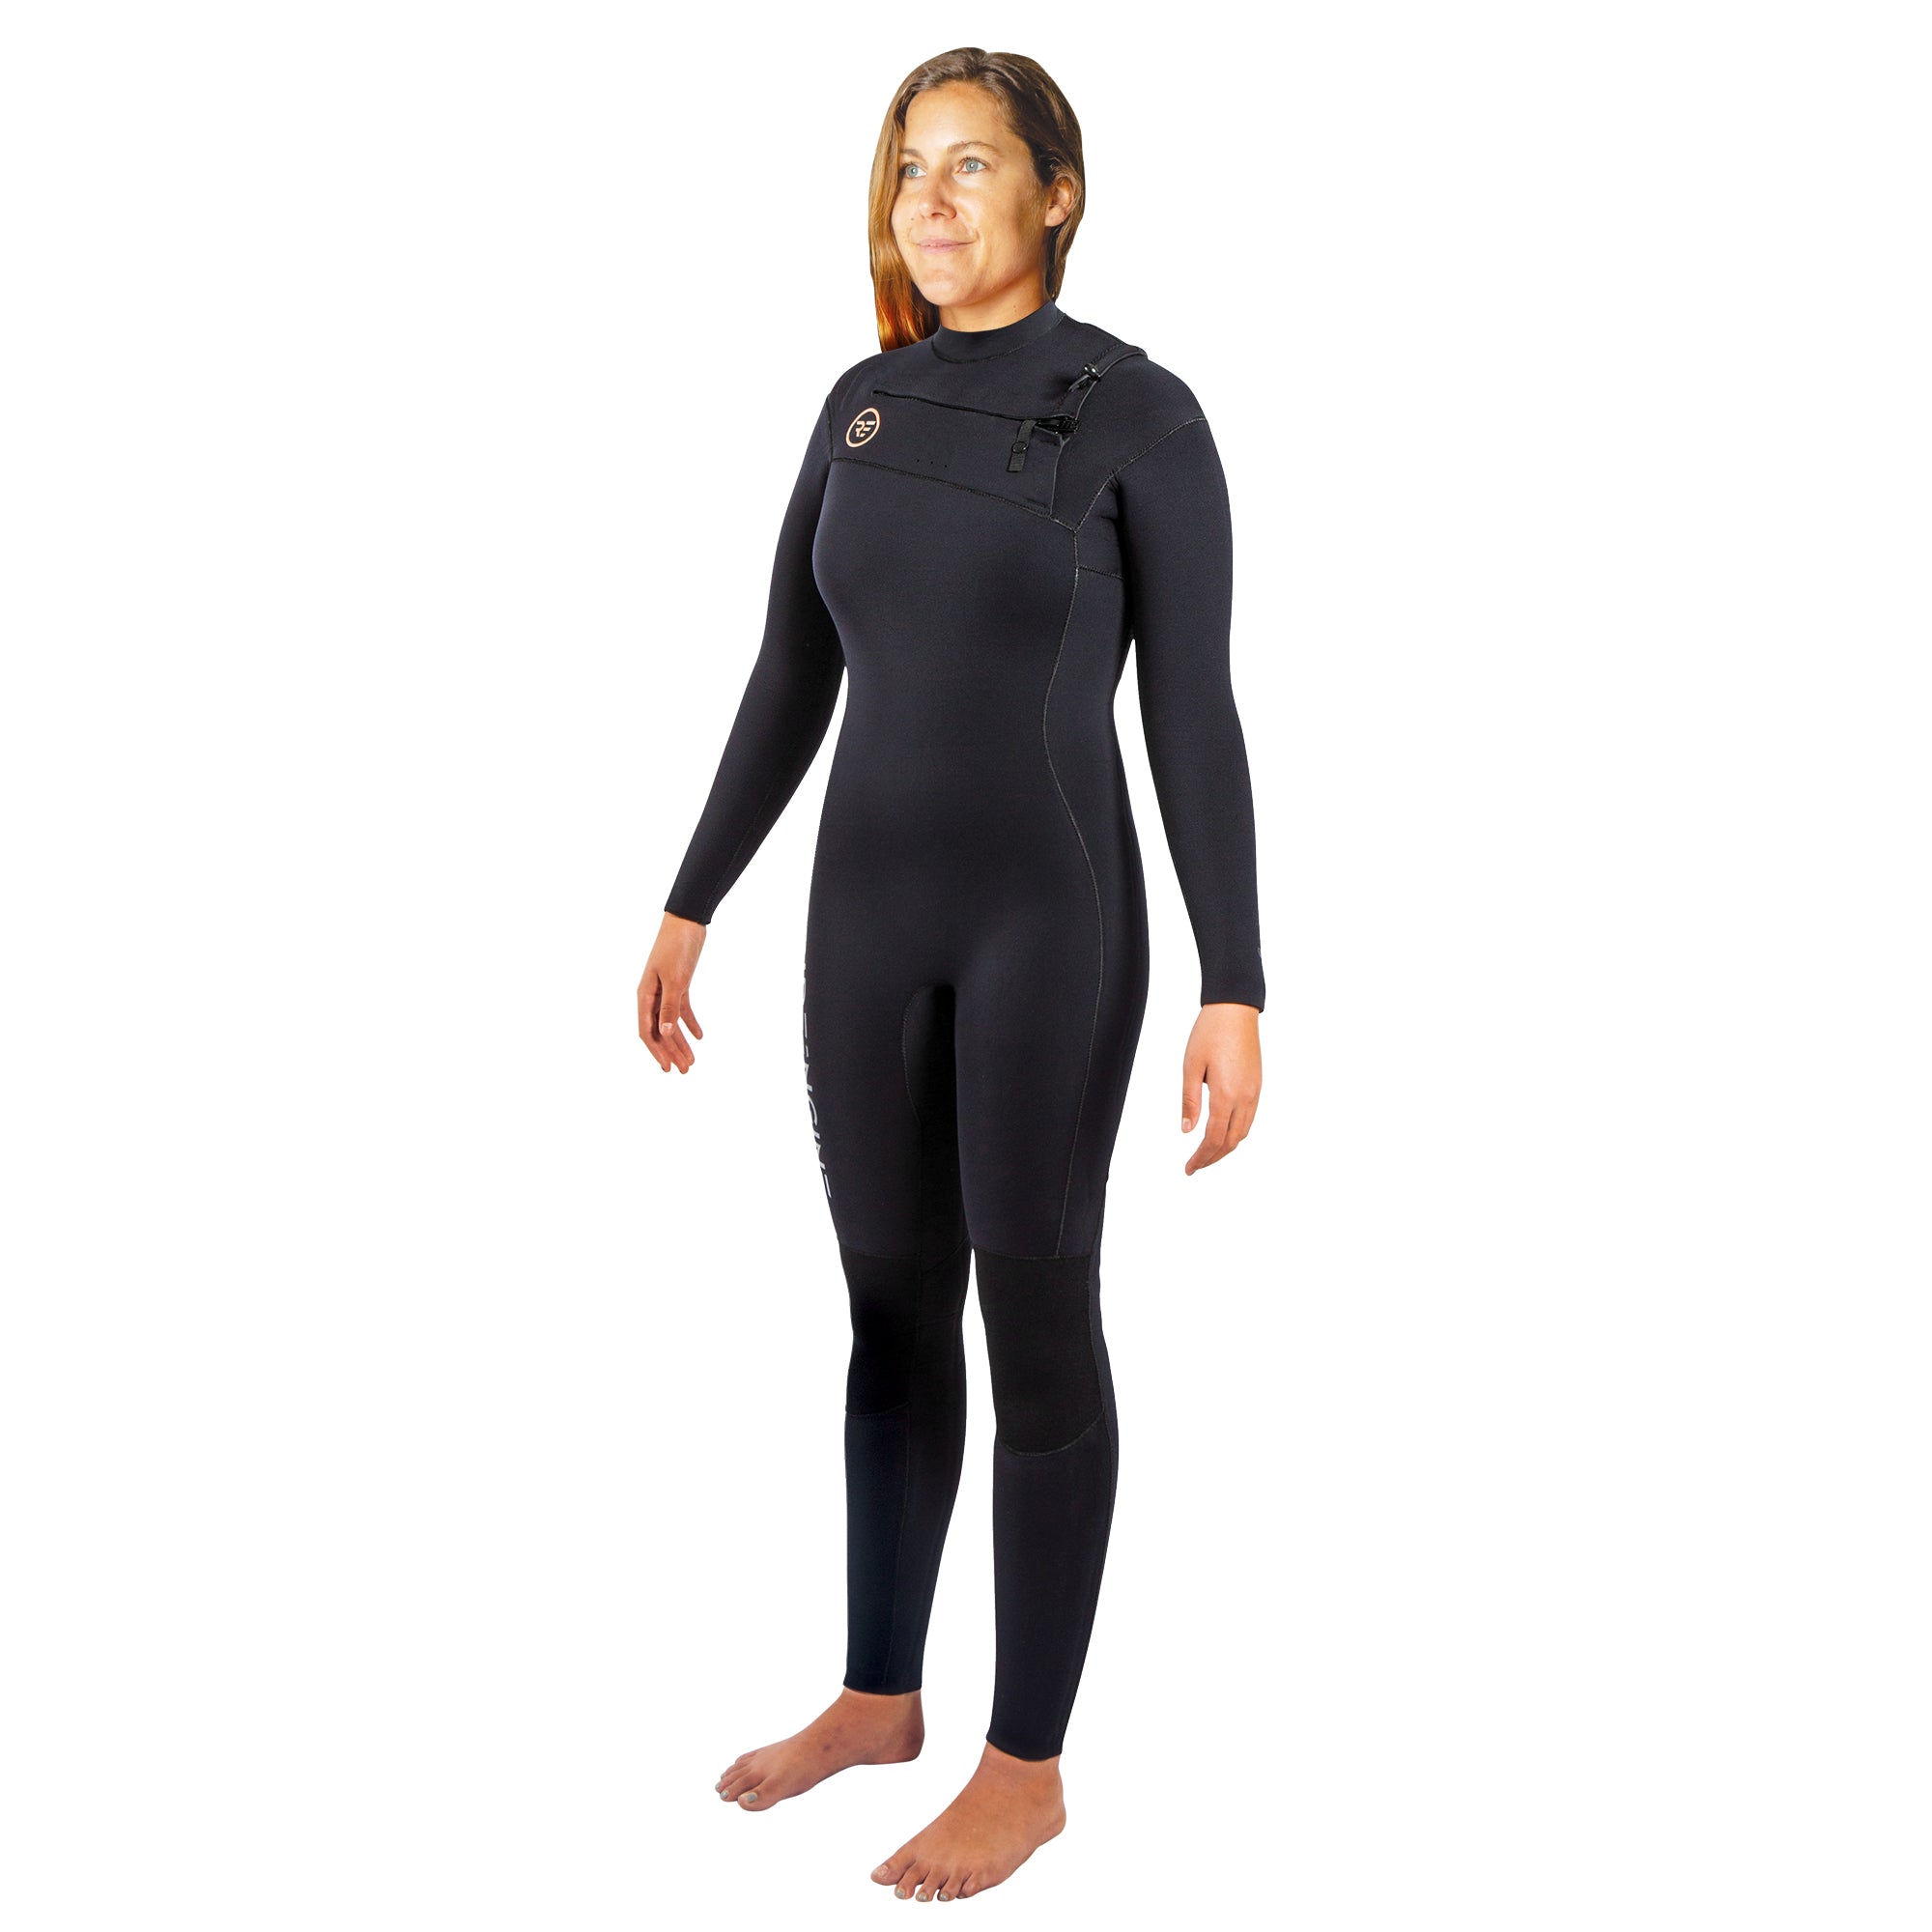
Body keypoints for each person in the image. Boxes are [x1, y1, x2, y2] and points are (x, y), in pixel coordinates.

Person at [638, 47, 1264, 1903]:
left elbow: (1196, 715)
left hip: (1047, 926)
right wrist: (691, 898)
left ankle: (1026, 1765)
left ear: (1057, 194)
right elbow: (788, 670)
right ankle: (878, 1695)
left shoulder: (1140, 417)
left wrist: (1237, 979)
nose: (932, 197)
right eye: (912, 164)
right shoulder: (862, 405)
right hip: (864, 923)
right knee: (887, 1310)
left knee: (1038, 1323)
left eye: (973, 164)